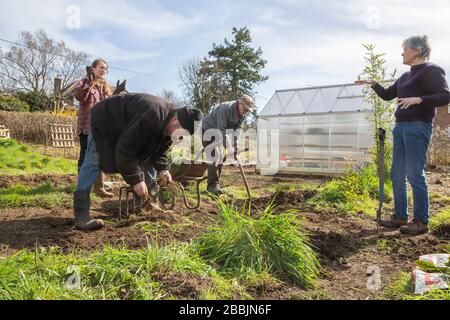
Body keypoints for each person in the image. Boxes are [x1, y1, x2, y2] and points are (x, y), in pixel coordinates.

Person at [356, 35, 450, 235]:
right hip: (400, 127)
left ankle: (421, 221)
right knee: (397, 174)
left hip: (418, 127)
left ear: (416, 50)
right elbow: (388, 95)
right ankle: (400, 216)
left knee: (414, 174)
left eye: (404, 49)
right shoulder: (405, 76)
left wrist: (419, 99)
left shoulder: (432, 70)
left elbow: (445, 95)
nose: (402, 53)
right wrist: (374, 83)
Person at [73, 93, 203, 231]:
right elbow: (125, 150)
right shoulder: (152, 115)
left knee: (147, 159)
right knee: (94, 160)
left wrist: (163, 168)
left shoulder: (170, 123)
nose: (181, 137)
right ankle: (81, 214)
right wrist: (136, 180)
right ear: (176, 120)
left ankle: (147, 203)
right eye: (182, 133)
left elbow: (159, 151)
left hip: (128, 126)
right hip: (106, 121)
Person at [73, 58, 126, 198]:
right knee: (85, 156)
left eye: (105, 69)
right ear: (93, 69)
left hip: (101, 128)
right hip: (87, 126)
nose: (103, 70)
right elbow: (79, 96)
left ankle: (99, 188)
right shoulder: (84, 82)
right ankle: (83, 187)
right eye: (101, 67)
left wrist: (117, 94)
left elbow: (108, 105)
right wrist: (89, 84)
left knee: (101, 156)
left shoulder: (106, 87)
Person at [201, 95, 254, 195]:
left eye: (248, 110)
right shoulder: (225, 108)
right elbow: (221, 130)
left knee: (221, 158)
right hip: (207, 130)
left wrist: (235, 144)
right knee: (215, 156)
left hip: (218, 133)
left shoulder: (242, 115)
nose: (246, 112)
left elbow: (238, 130)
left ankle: (215, 185)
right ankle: (212, 185)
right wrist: (228, 147)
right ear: (239, 103)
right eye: (245, 109)